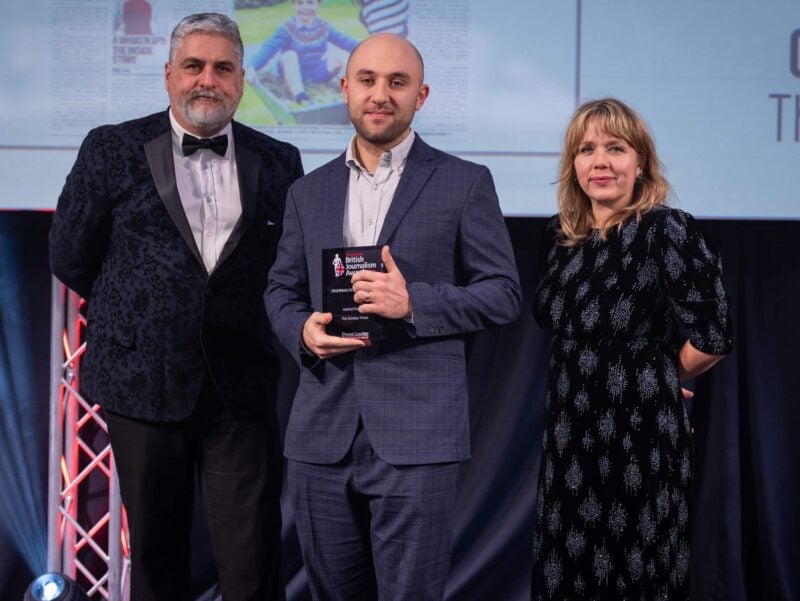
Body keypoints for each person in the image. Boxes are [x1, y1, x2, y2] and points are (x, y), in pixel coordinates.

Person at [49, 12, 304, 601]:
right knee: (159, 559)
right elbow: (69, 256)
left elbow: (283, 268)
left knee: (252, 561)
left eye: (222, 68)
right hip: (141, 385)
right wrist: (144, 313)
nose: (206, 80)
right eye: (193, 66)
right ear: (168, 75)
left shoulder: (281, 161)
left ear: (242, 80)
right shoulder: (111, 147)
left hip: (240, 387)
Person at [266, 33, 522, 601]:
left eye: (397, 82)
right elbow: (280, 290)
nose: (380, 94)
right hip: (320, 435)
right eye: (368, 80)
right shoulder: (308, 192)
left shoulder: (464, 181)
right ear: (345, 89)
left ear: (421, 95)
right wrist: (302, 332)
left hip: (418, 435)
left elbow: (503, 293)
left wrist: (415, 304)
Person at [530, 98, 734, 600]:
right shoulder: (562, 238)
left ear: (640, 161)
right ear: (573, 165)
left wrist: (662, 378)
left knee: (634, 571)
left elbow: (714, 336)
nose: (600, 161)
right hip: (567, 435)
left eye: (615, 148)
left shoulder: (667, 230)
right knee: (567, 570)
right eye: (587, 150)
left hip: (640, 434)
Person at [245, 0, 359, 106]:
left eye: (310, 2)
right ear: (293, 5)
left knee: (341, 56)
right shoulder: (288, 28)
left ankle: (353, 92)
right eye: (300, 3)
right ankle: (301, 97)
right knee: (289, 55)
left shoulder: (324, 27)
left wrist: (370, 48)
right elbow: (268, 49)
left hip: (316, 72)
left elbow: (347, 42)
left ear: (318, 4)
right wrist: (252, 66)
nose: (305, 7)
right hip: (292, 74)